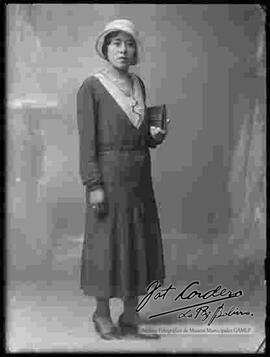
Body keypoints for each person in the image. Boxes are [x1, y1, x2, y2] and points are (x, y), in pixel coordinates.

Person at [76, 19, 169, 340]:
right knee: (106, 243)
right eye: (116, 43)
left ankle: (131, 314)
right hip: (108, 176)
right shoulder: (91, 86)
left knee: (138, 241)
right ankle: (101, 314)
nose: (123, 50)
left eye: (129, 43)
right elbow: (87, 141)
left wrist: (153, 135)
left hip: (139, 176)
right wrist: (93, 184)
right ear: (105, 48)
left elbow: (140, 134)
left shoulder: (139, 84)